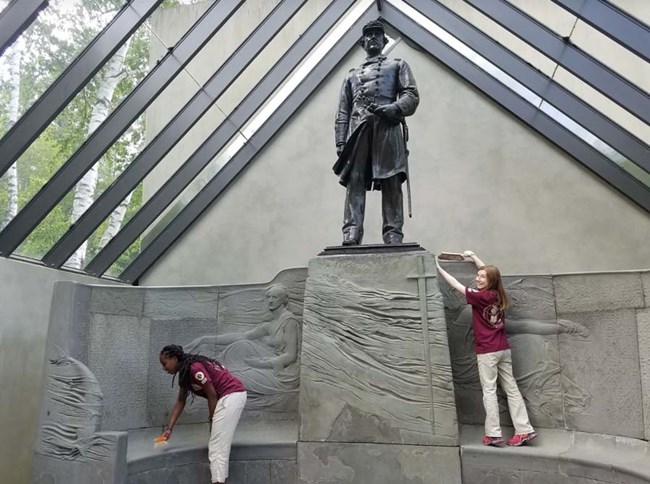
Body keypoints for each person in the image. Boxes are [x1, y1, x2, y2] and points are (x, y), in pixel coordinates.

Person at [435, 250, 537, 446]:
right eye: (478, 275)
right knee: (512, 389)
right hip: (503, 349)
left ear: (490, 281)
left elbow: (457, 285)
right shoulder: (498, 293)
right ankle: (524, 429)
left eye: (482, 277)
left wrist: (439, 269)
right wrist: (473, 257)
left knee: (489, 391)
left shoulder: (480, 297)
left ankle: (494, 434)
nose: (478, 278)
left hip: (488, 352)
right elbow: (488, 271)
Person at [333, 20, 419, 245]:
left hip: (387, 128)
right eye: (368, 35)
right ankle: (351, 232)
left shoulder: (398, 66)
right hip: (358, 132)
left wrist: (392, 108)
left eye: (377, 35)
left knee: (391, 181)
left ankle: (393, 233)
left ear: (383, 40)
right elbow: (343, 111)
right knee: (355, 180)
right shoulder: (351, 76)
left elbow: (411, 95)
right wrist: (341, 143)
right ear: (363, 42)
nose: (373, 38)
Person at [184, 284, 300, 412]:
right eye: (269, 297)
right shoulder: (269, 325)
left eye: (275, 297)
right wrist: (205, 339)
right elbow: (241, 336)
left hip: (282, 373)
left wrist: (262, 363)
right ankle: (214, 370)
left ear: (284, 300)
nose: (271, 300)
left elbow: (290, 355)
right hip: (268, 362)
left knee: (234, 376)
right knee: (241, 344)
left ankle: (217, 382)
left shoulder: (290, 321)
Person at [159, 345, 247, 484]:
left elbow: (212, 394)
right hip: (227, 398)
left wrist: (212, 420)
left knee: (218, 446)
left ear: (174, 359)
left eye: (165, 363)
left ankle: (218, 481)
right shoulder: (184, 375)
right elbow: (181, 401)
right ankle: (219, 480)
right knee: (216, 446)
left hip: (232, 396)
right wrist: (169, 428)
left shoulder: (195, 368)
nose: (164, 368)